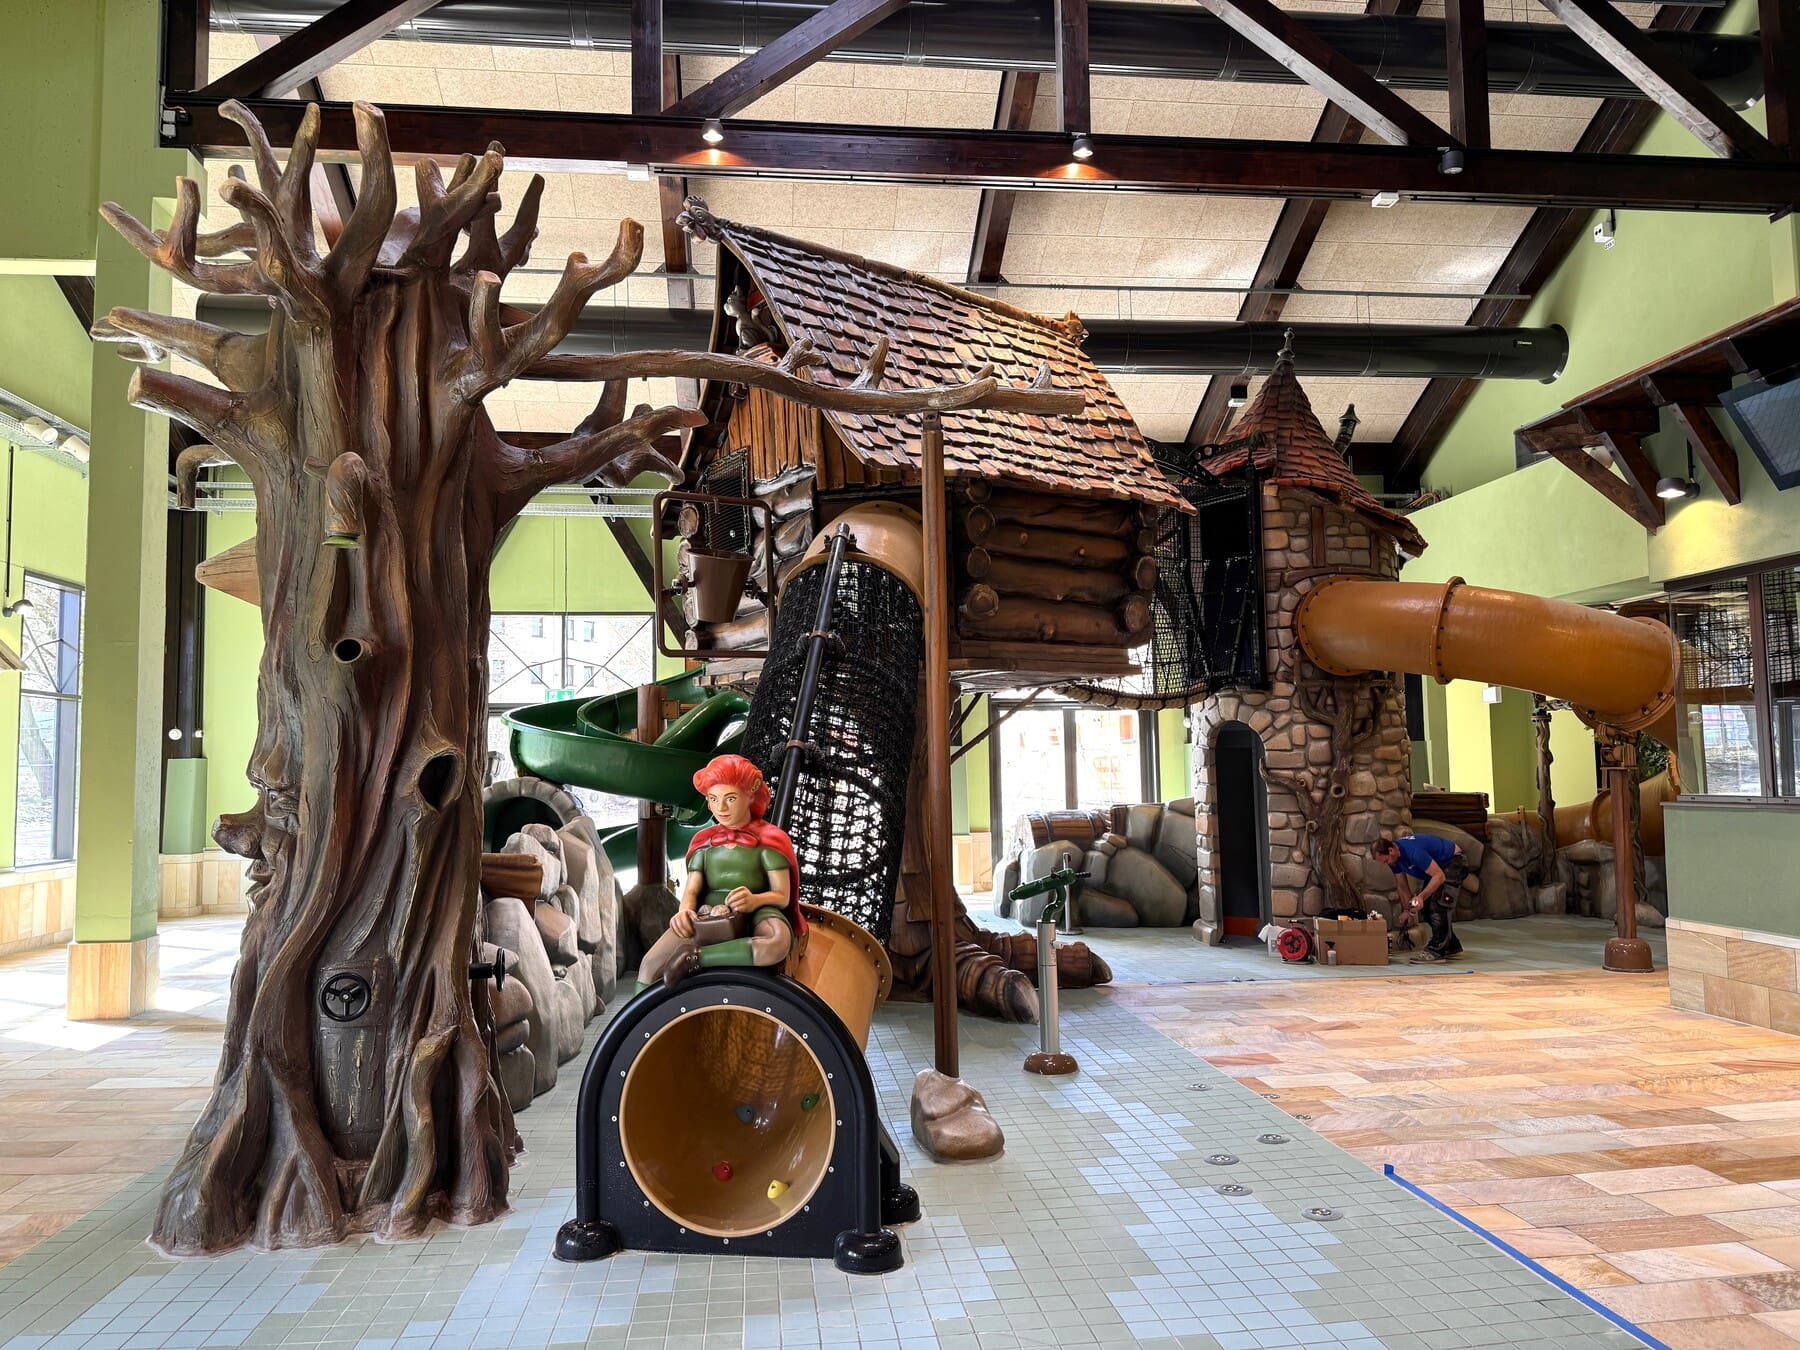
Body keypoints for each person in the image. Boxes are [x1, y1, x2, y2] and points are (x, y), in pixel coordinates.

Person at [636, 753, 807, 990]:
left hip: (758, 910)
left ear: (750, 795)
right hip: (708, 913)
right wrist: (685, 911)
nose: (721, 808)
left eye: (730, 798)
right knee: (649, 965)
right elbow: (692, 890)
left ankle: (697, 957)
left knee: (777, 941)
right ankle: (642, 1013)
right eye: (714, 799)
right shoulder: (704, 844)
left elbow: (782, 895)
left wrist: (755, 900)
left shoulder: (769, 841)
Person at [1371, 833, 1470, 964]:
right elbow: (1402, 885)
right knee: (1426, 908)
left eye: (1386, 861)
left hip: (1453, 862)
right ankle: (1451, 945)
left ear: (1391, 850)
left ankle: (1436, 951)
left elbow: (1439, 876)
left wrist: (1421, 896)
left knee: (1439, 906)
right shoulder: (1394, 860)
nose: (1386, 864)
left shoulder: (1413, 851)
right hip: (1438, 869)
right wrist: (1407, 910)